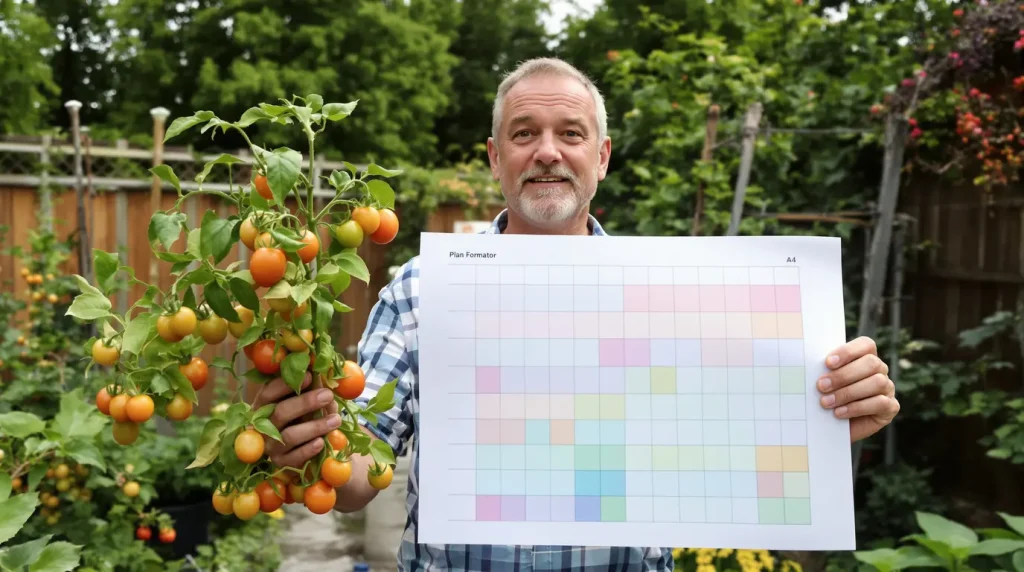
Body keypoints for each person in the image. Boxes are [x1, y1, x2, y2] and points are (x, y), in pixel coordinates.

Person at [251, 57, 901, 570]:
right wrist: (310, 439)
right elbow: (362, 475)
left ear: (604, 157)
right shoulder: (421, 291)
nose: (547, 152)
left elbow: (734, 439)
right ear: (493, 157)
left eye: (571, 134)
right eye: (524, 134)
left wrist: (824, 423)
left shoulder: (680, 296)